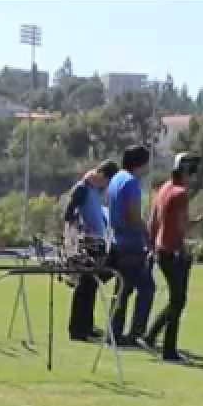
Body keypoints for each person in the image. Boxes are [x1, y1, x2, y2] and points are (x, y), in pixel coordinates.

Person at [143, 152, 201, 363]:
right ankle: (168, 350)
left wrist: (151, 243)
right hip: (173, 251)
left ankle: (150, 337)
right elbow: (180, 226)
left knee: (176, 300)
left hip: (160, 249)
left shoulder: (164, 188)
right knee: (178, 301)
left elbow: (154, 220)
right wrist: (184, 246)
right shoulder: (180, 193)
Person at [63, 159, 119, 341]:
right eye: (108, 181)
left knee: (92, 285)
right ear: (102, 175)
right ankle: (77, 329)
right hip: (86, 244)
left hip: (97, 243)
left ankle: (87, 326)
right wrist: (77, 236)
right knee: (84, 287)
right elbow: (68, 215)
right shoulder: (82, 188)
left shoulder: (94, 190)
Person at [106, 146, 157, 346]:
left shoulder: (116, 179)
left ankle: (114, 331)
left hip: (118, 241)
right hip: (132, 244)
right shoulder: (131, 182)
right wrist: (147, 233)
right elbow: (133, 215)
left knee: (122, 290)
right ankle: (135, 333)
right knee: (146, 288)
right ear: (140, 163)